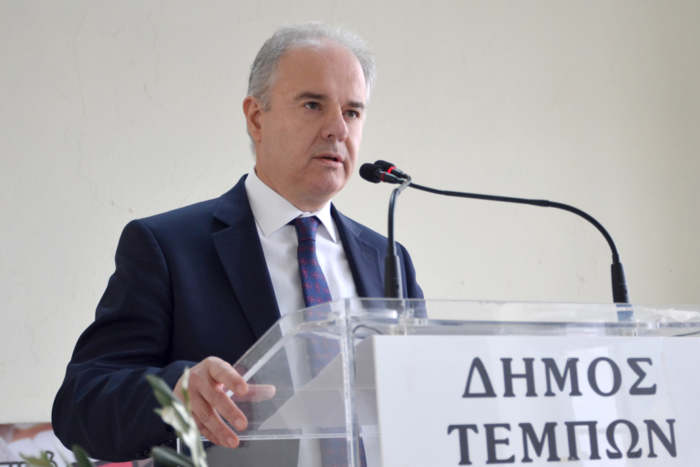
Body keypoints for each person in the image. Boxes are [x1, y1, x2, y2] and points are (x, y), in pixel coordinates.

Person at [52, 23, 422, 462]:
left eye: (353, 112)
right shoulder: (168, 248)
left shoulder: (387, 260)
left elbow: (422, 400)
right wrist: (178, 392)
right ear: (256, 117)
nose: (337, 129)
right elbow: (82, 403)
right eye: (313, 104)